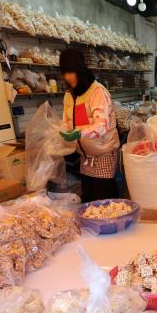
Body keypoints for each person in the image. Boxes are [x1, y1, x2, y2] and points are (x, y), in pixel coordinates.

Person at [59, 49, 120, 202]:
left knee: (104, 200)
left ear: (80, 70)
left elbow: (102, 125)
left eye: (70, 72)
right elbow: (67, 121)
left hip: (104, 153)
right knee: (89, 199)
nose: (67, 76)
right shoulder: (69, 95)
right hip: (86, 156)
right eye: (64, 72)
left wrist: (79, 133)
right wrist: (60, 133)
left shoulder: (97, 91)